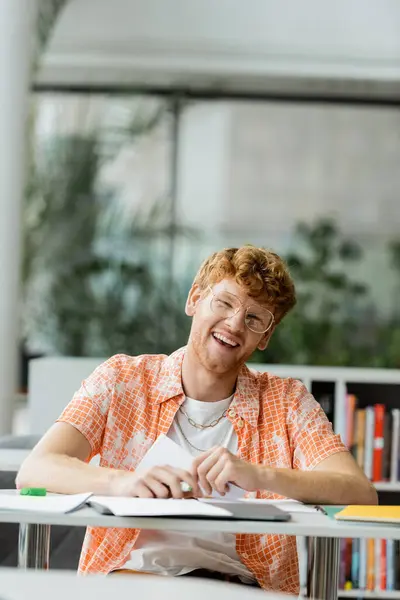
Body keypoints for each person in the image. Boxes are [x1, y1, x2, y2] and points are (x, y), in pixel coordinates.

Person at [17, 245, 377, 593]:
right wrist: (125, 483)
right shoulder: (121, 379)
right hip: (135, 581)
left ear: (264, 336)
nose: (235, 324)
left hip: (241, 587)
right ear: (194, 299)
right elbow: (36, 469)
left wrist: (260, 475)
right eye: (224, 302)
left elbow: (360, 493)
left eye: (254, 318)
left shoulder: (287, 401)